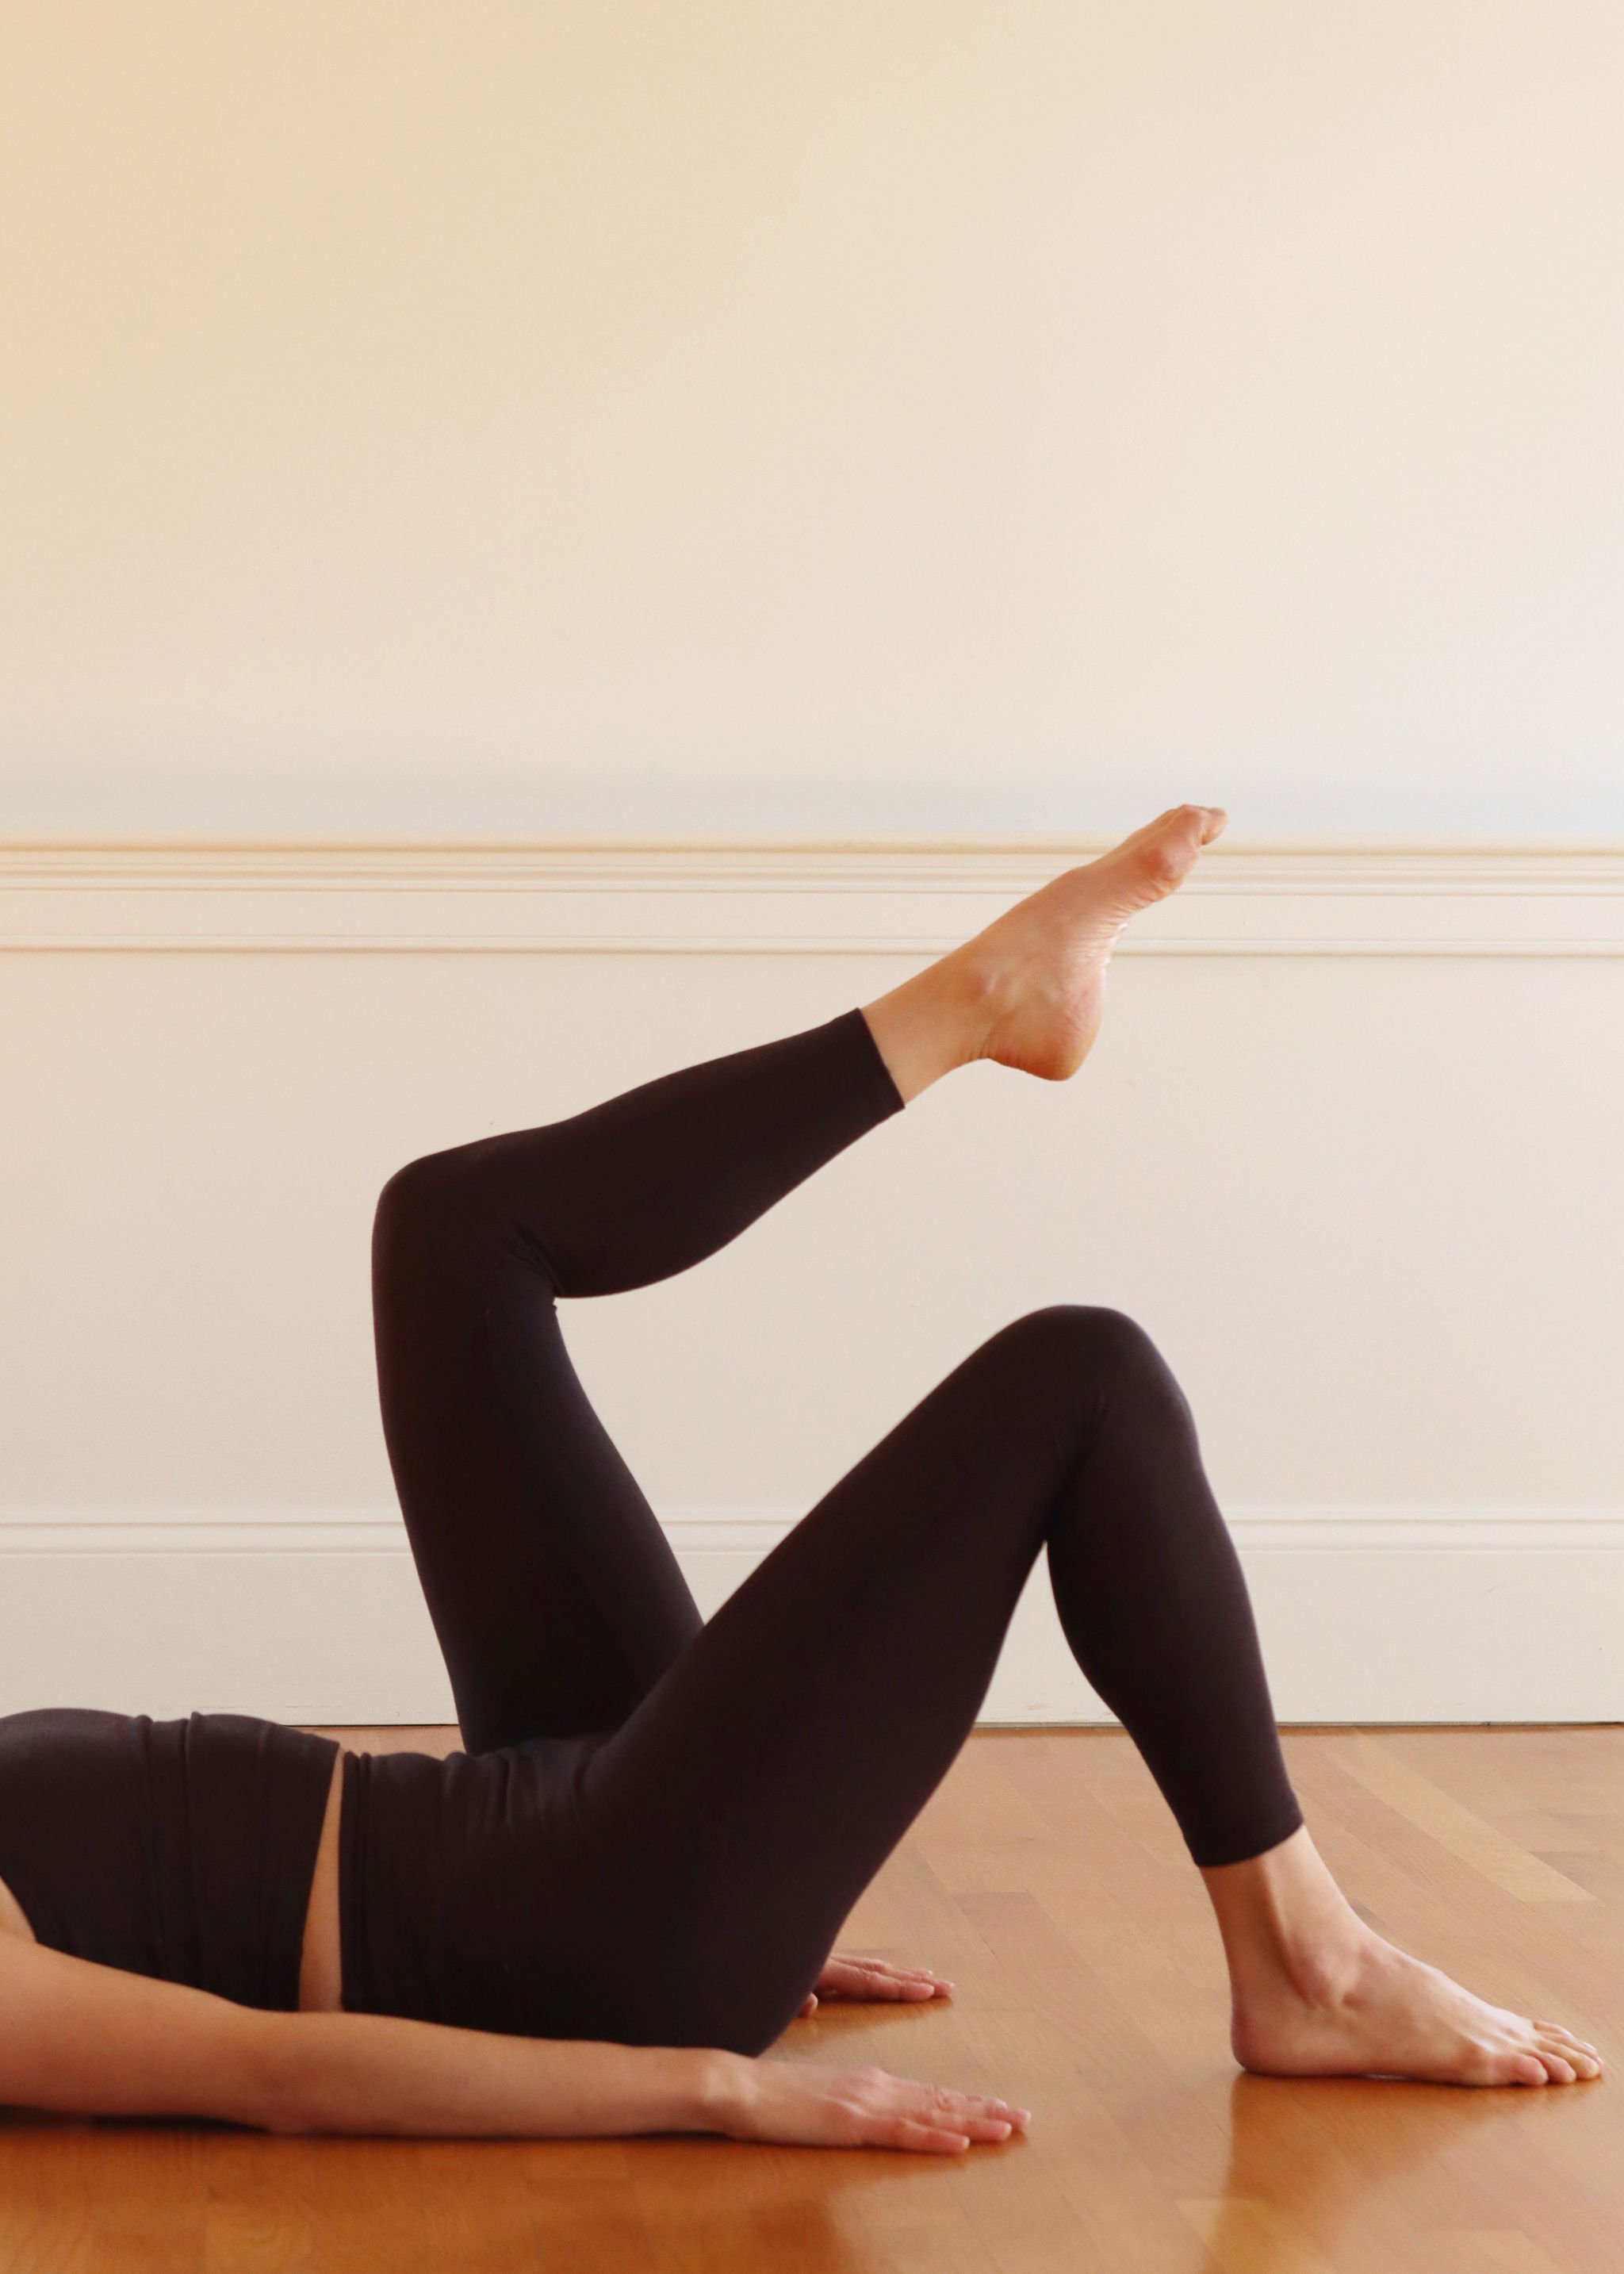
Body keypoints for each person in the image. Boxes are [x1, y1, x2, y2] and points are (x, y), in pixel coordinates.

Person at [0, 805, 1600, 2152]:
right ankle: (1304, 1968)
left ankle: (977, 1001)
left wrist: (738, 1834)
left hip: (534, 1817)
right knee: (1079, 1381)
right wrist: (709, 2079)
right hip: (584, 1936)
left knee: (447, 1231)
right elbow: (277, 2077)